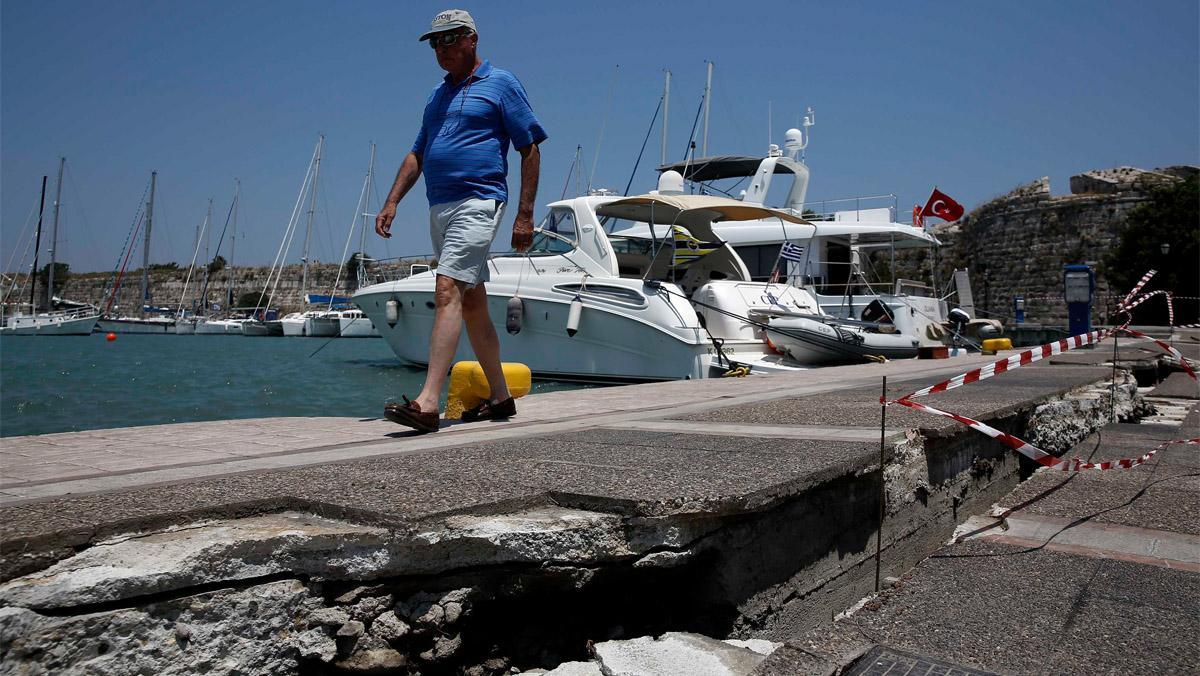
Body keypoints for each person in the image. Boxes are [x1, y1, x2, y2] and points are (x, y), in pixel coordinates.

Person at [375, 9, 546, 433]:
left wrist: (524, 215)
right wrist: (392, 201)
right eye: (434, 42)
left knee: (447, 286)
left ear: (471, 38)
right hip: (440, 206)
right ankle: (501, 396)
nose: (441, 49)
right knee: (472, 302)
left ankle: (428, 402)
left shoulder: (501, 83)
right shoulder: (437, 95)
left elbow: (530, 148)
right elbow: (417, 152)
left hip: (480, 199)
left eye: (449, 39)